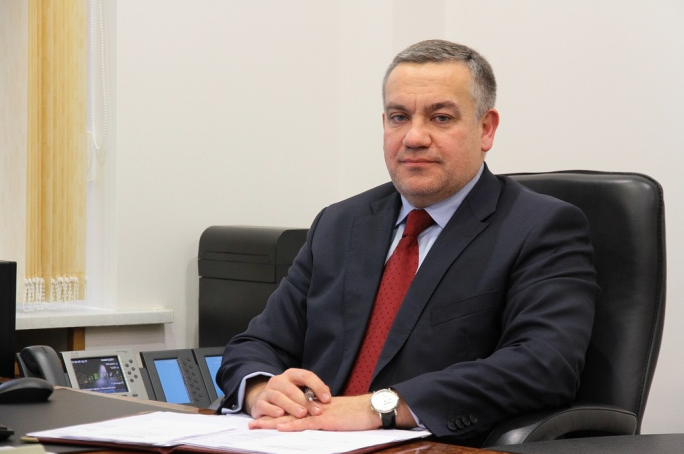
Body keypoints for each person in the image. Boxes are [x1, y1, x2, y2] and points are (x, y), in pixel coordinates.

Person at [215, 39, 598, 447]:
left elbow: (544, 364)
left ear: (486, 129)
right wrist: (261, 390)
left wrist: (378, 408)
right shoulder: (339, 224)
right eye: (399, 117)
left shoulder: (540, 227)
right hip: (302, 441)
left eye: (441, 118)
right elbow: (256, 344)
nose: (414, 137)